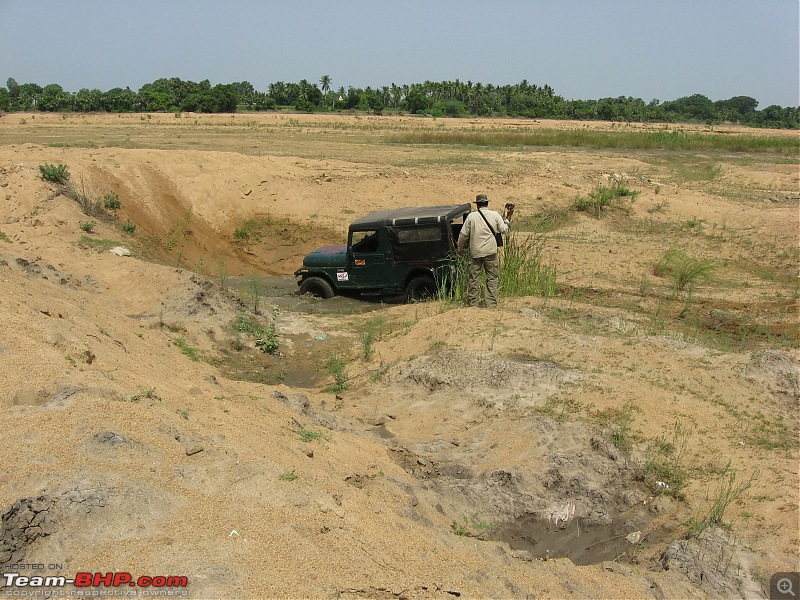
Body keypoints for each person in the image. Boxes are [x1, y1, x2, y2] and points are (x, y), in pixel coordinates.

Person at [457, 193, 512, 308]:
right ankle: (490, 304)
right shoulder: (495, 215)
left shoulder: (471, 217)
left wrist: (460, 250)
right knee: (492, 278)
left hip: (475, 252)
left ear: (477, 205)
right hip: (491, 252)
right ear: (487, 203)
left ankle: (473, 304)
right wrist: (508, 218)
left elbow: (463, 236)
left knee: (474, 279)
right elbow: (504, 230)